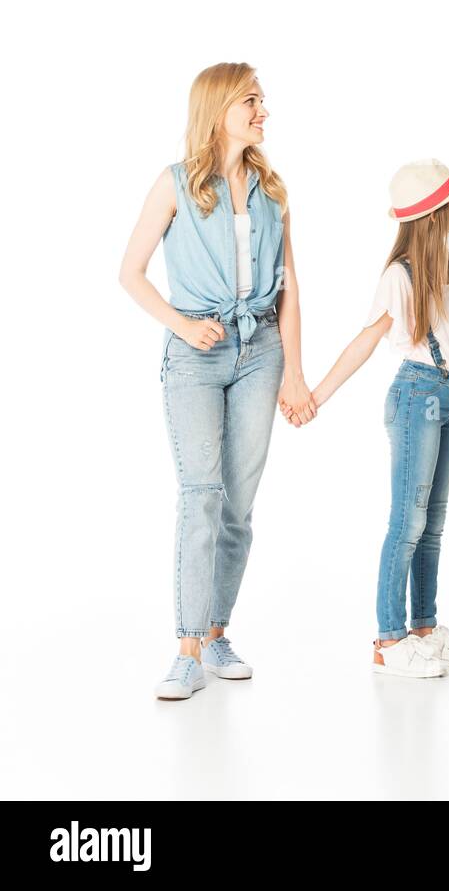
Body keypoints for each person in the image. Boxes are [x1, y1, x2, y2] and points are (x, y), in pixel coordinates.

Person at [119, 62, 317, 699]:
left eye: (262, 101)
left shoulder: (273, 191)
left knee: (238, 504)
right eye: (252, 101)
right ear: (219, 109)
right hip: (196, 354)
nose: (264, 111)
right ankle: (185, 648)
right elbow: (131, 272)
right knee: (200, 493)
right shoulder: (175, 183)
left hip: (260, 351)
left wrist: (294, 373)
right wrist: (182, 324)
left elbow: (289, 289)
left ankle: (215, 632)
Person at [297, 159, 449, 678]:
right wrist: (316, 395)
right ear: (434, 212)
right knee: (408, 521)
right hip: (417, 398)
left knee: (434, 522)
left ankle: (424, 629)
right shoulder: (398, 277)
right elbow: (366, 341)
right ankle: (387, 640)